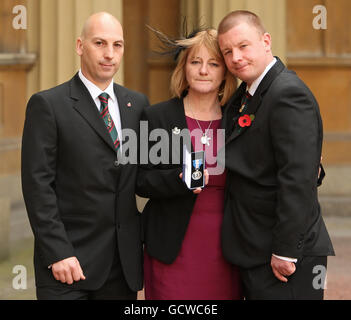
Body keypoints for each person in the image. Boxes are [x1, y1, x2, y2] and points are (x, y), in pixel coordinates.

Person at [21, 12, 149, 300]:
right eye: (100, 43)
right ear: (80, 46)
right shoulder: (48, 105)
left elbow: (144, 176)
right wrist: (58, 252)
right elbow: (37, 186)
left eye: (118, 45)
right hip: (68, 266)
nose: (109, 54)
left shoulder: (137, 105)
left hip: (121, 268)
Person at [217, 10, 335, 299]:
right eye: (227, 51)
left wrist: (285, 250)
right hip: (254, 248)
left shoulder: (288, 94)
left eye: (243, 46)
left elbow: (296, 178)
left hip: (285, 257)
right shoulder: (246, 95)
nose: (236, 58)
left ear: (266, 41)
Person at [136, 28, 243, 300]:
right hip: (172, 246)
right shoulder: (157, 116)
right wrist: (178, 179)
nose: (204, 70)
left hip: (227, 246)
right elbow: (140, 180)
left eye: (213, 63)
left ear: (225, 72)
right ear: (184, 68)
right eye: (195, 62)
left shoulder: (239, 120)